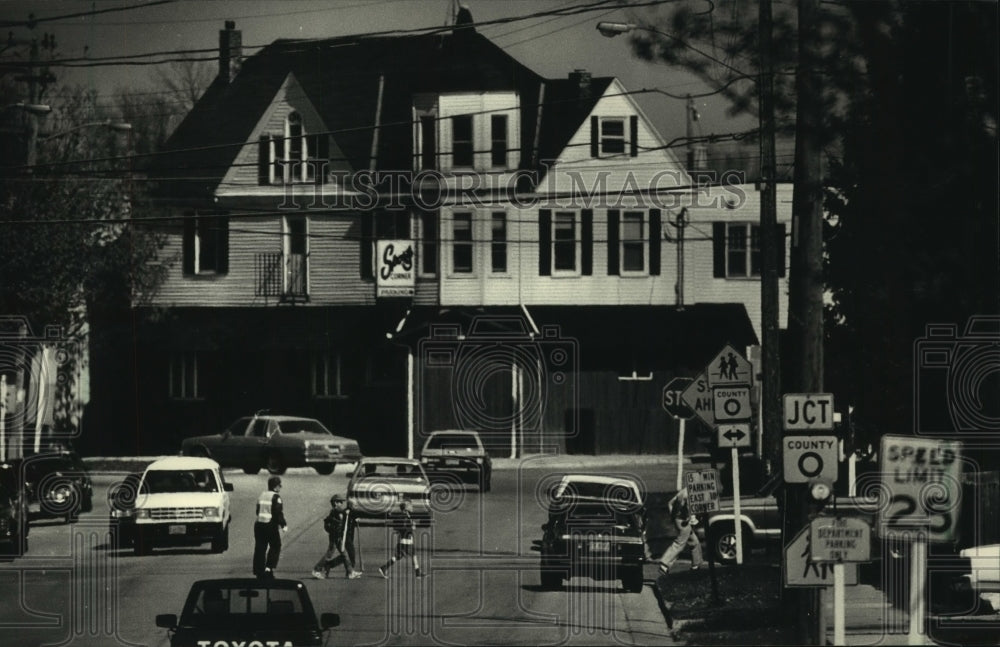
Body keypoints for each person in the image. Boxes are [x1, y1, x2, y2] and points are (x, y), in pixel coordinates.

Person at [312, 494, 361, 580]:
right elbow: (339, 522)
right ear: (335, 503)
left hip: (337, 536)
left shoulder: (335, 511)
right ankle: (317, 569)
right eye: (340, 502)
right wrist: (346, 513)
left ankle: (350, 572)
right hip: (335, 537)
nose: (342, 503)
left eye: (342, 502)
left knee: (345, 554)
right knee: (329, 554)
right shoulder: (337, 511)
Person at [658, 487, 705, 574]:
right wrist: (691, 519)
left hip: (678, 519)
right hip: (684, 521)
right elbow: (689, 510)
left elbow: (670, 503)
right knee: (680, 543)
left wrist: (674, 518)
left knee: (694, 541)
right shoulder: (689, 495)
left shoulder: (683, 492)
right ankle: (664, 564)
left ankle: (696, 565)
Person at [378, 500, 424, 579]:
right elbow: (403, 528)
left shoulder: (406, 515)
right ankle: (417, 573)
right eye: (410, 506)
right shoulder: (404, 517)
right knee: (410, 556)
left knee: (401, 556)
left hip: (406, 541)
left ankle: (384, 568)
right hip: (406, 542)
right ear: (406, 508)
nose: (412, 507)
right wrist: (412, 527)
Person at [253, 476, 287, 579]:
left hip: (259, 525)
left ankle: (259, 571)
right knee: (275, 545)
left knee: (260, 548)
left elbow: (257, 511)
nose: (280, 487)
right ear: (275, 486)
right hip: (270, 525)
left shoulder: (262, 495)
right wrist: (283, 524)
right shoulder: (276, 497)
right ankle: (268, 568)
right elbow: (277, 513)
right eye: (279, 485)